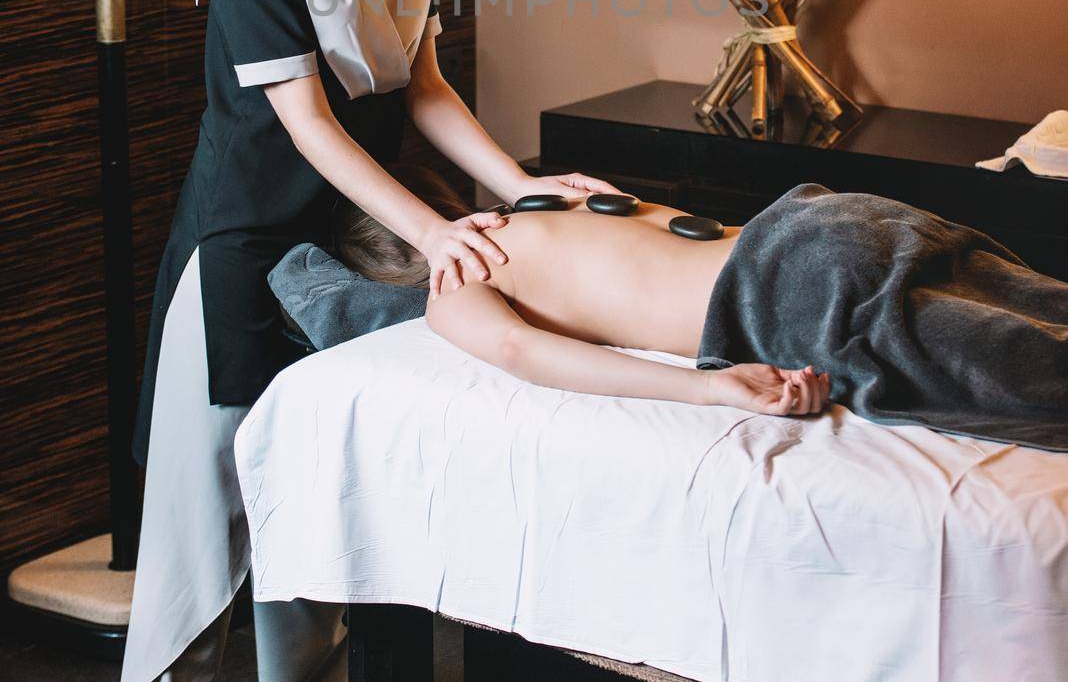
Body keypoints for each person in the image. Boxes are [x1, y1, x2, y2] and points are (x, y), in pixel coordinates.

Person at [116, 0, 620, 682]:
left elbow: (424, 81)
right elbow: (304, 124)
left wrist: (520, 185)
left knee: (326, 458)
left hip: (359, 214)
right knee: (213, 488)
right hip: (248, 232)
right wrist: (435, 234)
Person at [333, 178, 1068, 450]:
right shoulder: (546, 195)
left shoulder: (454, 281)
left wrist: (711, 386)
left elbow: (523, 354)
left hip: (791, 291)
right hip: (827, 219)